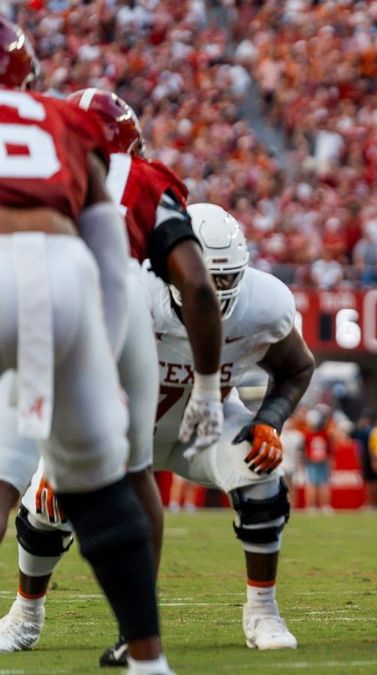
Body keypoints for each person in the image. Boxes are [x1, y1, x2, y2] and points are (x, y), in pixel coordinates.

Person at [0, 203, 314, 655]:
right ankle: (26, 615)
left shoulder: (264, 303)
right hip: (125, 435)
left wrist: (269, 420)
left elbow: (297, 368)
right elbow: (73, 364)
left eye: (228, 278)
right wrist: (53, 461)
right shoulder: (135, 293)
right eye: (210, 277)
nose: (217, 290)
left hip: (201, 432)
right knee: (48, 504)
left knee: (260, 471)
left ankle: (263, 611)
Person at [0, 86, 225, 666]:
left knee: (6, 473)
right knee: (125, 476)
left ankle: (26, 612)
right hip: (109, 290)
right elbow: (194, 283)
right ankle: (145, 651)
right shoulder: (130, 167)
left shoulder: (56, 129)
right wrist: (204, 387)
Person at [0, 18, 171, 675]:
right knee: (99, 485)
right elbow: (104, 234)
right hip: (60, 277)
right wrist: (97, 343)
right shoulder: (63, 121)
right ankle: (150, 661)